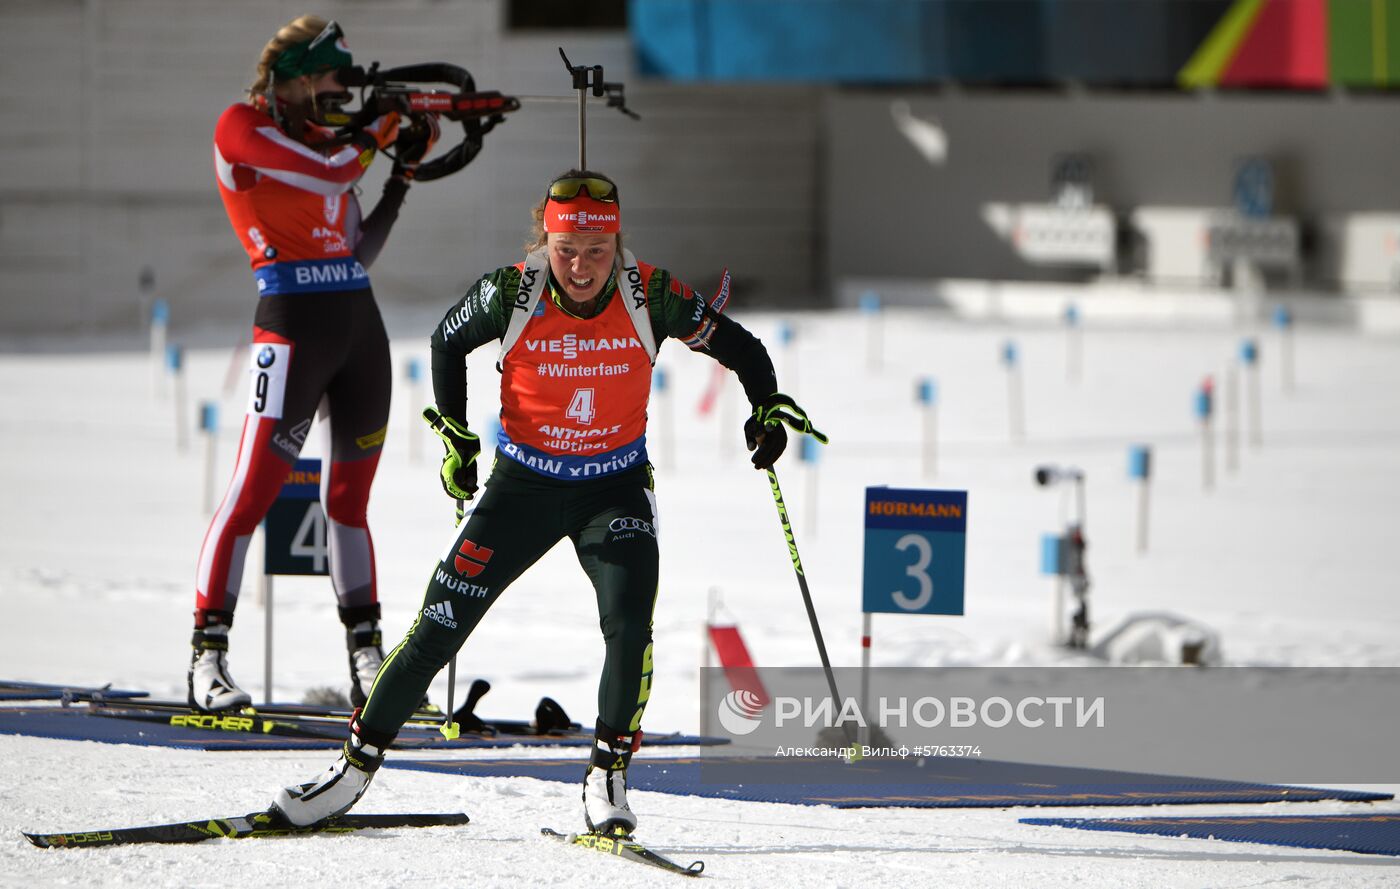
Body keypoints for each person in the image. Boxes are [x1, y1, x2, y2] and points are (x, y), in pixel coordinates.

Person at [269, 170, 821, 836]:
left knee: (629, 622)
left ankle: (607, 778)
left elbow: (742, 347)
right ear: (545, 240)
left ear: (617, 241)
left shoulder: (652, 292)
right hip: (522, 488)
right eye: (567, 249)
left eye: (597, 249)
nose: (582, 266)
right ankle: (349, 775)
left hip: (612, 488)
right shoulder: (513, 290)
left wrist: (766, 408)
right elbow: (448, 339)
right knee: (438, 624)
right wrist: (457, 433)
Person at [189, 16, 456, 712]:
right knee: (252, 494)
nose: (343, 97)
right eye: (335, 83)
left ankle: (366, 657)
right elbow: (336, 170)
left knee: (348, 502)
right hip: (291, 328)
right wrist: (380, 134)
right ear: (300, 79)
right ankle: (207, 656)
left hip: (356, 325)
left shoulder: (327, 142)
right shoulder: (241, 125)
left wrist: (400, 173)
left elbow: (355, 250)